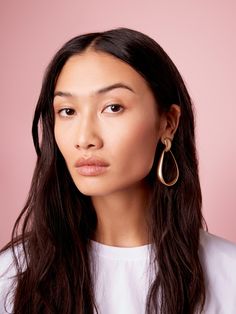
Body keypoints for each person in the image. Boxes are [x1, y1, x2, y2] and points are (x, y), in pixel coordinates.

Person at [0, 27, 236, 314]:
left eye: (112, 107)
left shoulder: (228, 275)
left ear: (168, 123)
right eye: (67, 111)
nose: (84, 138)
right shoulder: (14, 276)